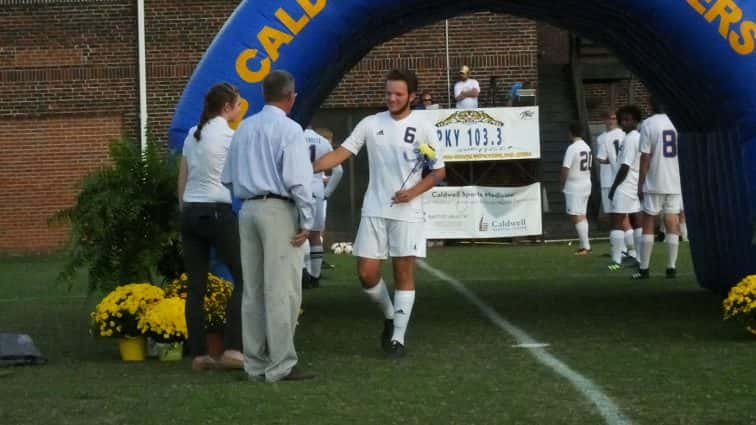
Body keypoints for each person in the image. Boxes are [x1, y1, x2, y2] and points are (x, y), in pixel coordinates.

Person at [313, 69, 446, 358]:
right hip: (374, 209)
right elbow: (341, 153)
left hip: (408, 211)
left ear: (411, 96)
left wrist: (412, 192)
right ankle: (390, 315)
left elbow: (438, 172)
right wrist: (308, 167)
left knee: (402, 272)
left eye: (398, 94)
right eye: (388, 93)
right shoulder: (371, 124)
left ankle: (397, 337)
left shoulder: (424, 126)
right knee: (366, 272)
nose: (392, 98)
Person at [221, 70, 316, 381]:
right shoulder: (290, 130)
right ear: (291, 97)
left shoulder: (243, 128)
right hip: (278, 209)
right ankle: (281, 364)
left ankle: (256, 363)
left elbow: (228, 177)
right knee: (282, 290)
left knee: (253, 290)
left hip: (248, 209)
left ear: (263, 94)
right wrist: (307, 218)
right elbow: (298, 180)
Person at [178, 82, 244, 371]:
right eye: (238, 103)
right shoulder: (231, 137)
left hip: (191, 211)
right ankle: (233, 348)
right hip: (218, 211)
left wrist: (184, 208)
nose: (241, 108)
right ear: (227, 108)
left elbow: (182, 177)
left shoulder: (193, 135)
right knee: (244, 279)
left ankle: (199, 355)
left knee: (196, 286)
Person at [634, 97, 682, 279]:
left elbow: (645, 156)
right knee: (672, 221)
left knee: (648, 221)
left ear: (650, 105)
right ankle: (671, 267)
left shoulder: (648, 124)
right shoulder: (677, 121)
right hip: (674, 180)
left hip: (655, 180)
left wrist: (641, 181)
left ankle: (644, 268)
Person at [302, 126, 343, 288]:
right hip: (317, 190)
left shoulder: (293, 135)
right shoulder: (322, 141)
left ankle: (303, 271)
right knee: (315, 235)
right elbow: (338, 171)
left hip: (298, 189)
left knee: (299, 233)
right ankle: (315, 276)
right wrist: (327, 192)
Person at [607, 105, 644, 270]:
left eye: (628, 119)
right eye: (622, 119)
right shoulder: (635, 137)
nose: (624, 122)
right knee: (636, 221)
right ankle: (639, 257)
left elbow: (625, 166)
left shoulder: (630, 139)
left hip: (625, 184)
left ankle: (616, 261)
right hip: (634, 183)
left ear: (636, 120)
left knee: (617, 221)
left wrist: (614, 187)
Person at [596, 111, 634, 260]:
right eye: (608, 118)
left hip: (611, 180)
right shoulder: (626, 135)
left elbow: (601, 158)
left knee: (618, 217)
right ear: (604, 120)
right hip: (622, 179)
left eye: (613, 118)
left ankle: (626, 250)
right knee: (622, 216)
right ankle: (626, 249)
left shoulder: (603, 138)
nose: (611, 121)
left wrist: (611, 162)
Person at [561, 122, 592, 255]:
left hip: (575, 185)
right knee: (582, 215)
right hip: (586, 182)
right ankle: (584, 245)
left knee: (575, 215)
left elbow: (565, 168)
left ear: (571, 133)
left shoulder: (572, 148)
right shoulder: (587, 146)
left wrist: (562, 183)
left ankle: (585, 247)